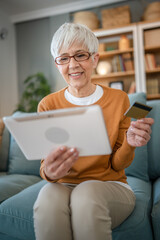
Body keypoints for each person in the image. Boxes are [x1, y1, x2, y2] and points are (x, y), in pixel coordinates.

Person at [33, 23, 154, 240]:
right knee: (47, 199)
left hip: (111, 185)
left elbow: (118, 165)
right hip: (63, 185)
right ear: (57, 64)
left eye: (80, 55)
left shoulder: (119, 99)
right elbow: (45, 167)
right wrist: (50, 172)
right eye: (64, 58)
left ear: (94, 59)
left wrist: (129, 143)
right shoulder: (47, 105)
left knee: (86, 195)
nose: (73, 65)